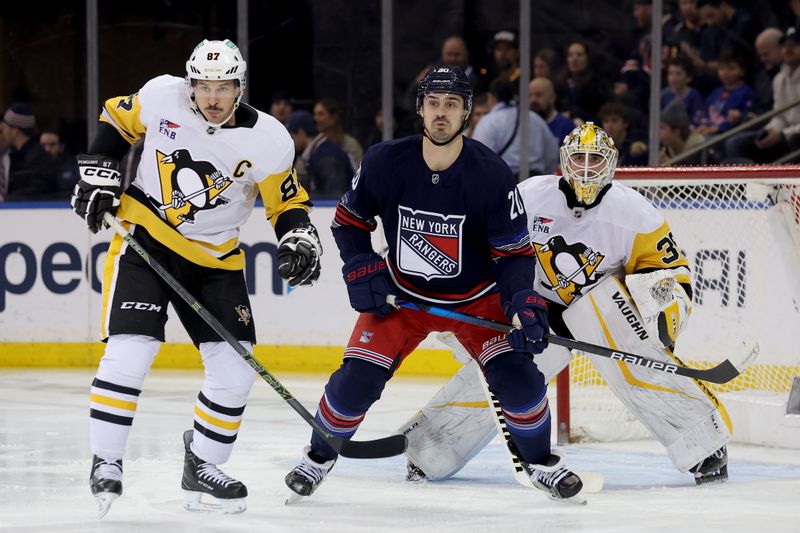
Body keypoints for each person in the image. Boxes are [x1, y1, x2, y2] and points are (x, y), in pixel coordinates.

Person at [284, 65, 586, 503]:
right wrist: (360, 265)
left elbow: (514, 253)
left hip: (478, 302)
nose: (441, 113)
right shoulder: (385, 162)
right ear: (421, 109)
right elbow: (348, 223)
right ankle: (318, 457)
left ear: (467, 113)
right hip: (401, 298)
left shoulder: (491, 175)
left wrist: (522, 298)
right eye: (433, 103)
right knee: (355, 383)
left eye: (452, 105)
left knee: (520, 379)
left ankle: (540, 464)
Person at [69, 39, 322, 517]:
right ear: (190, 84)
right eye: (203, 87)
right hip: (145, 239)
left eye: (222, 87)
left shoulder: (268, 139)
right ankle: (107, 460)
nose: (211, 98)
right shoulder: (162, 96)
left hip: (215, 258)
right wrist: (101, 173)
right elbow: (117, 119)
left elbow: (286, 203)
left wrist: (299, 238)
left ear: (238, 87)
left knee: (235, 370)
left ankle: (202, 464)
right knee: (131, 350)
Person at [400, 123, 731, 487]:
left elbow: (667, 268)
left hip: (602, 310)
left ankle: (703, 445)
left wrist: (665, 310)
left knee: (639, 363)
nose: (586, 167)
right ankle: (429, 449)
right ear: (563, 161)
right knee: (502, 373)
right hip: (533, 309)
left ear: (611, 163)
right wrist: (474, 304)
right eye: (578, 157)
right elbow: (487, 247)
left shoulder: (636, 213)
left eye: (594, 159)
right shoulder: (529, 195)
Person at [472, 77, 558, 179]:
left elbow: (479, 160)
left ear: (491, 98)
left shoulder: (488, 122)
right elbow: (552, 155)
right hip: (536, 184)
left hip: (505, 186)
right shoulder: (535, 118)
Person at [287, 109, 354, 198]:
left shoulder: (327, 156)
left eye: (291, 136)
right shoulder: (318, 151)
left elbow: (335, 196)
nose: (290, 141)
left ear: (301, 132)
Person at [2, 103, 58, 201]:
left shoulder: (39, 158)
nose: (3, 132)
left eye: (5, 128)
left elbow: (37, 191)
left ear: (14, 131)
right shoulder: (11, 155)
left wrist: (6, 199)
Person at [313, 97, 363, 167]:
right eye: (315, 114)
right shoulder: (315, 143)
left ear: (334, 117)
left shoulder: (350, 145)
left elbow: (358, 171)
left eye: (321, 114)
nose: (316, 118)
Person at [529, 77, 575, 146]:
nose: (533, 100)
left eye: (538, 95)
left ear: (552, 98)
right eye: (530, 95)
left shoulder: (566, 127)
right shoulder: (525, 125)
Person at [659, 99, 706, 164]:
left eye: (662, 128)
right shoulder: (664, 150)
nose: (658, 133)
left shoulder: (700, 152)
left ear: (676, 132)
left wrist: (671, 167)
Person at [40, 129, 80, 196]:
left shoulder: (73, 168)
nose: (47, 149)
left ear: (61, 147)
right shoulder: (34, 168)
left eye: (52, 144)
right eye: (43, 145)